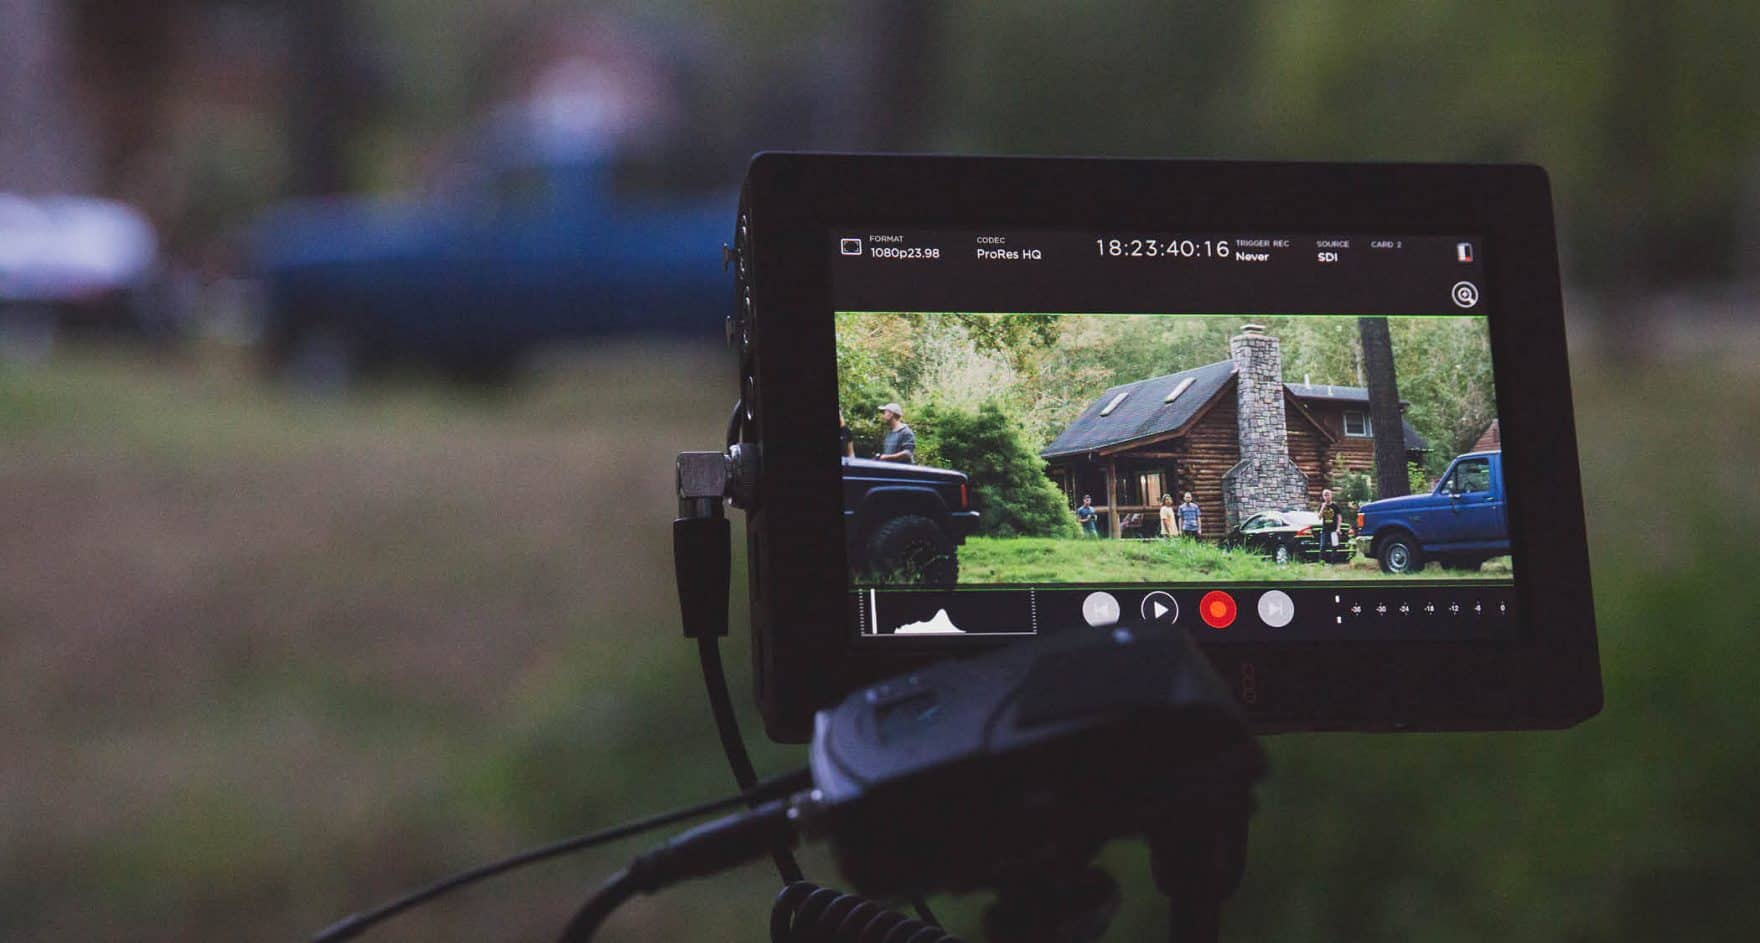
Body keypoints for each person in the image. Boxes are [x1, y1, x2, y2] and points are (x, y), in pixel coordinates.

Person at [1317, 487, 1343, 563]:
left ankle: (1333, 562)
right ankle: (1322, 562)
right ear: (1323, 497)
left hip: (1334, 529)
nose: (1327, 497)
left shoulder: (1335, 506)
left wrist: (1338, 528)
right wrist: (1322, 508)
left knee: (1334, 546)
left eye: (1328, 495)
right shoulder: (1322, 506)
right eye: (1325, 495)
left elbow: (1339, 517)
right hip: (1325, 529)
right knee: (1322, 546)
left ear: (1331, 496)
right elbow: (1319, 517)